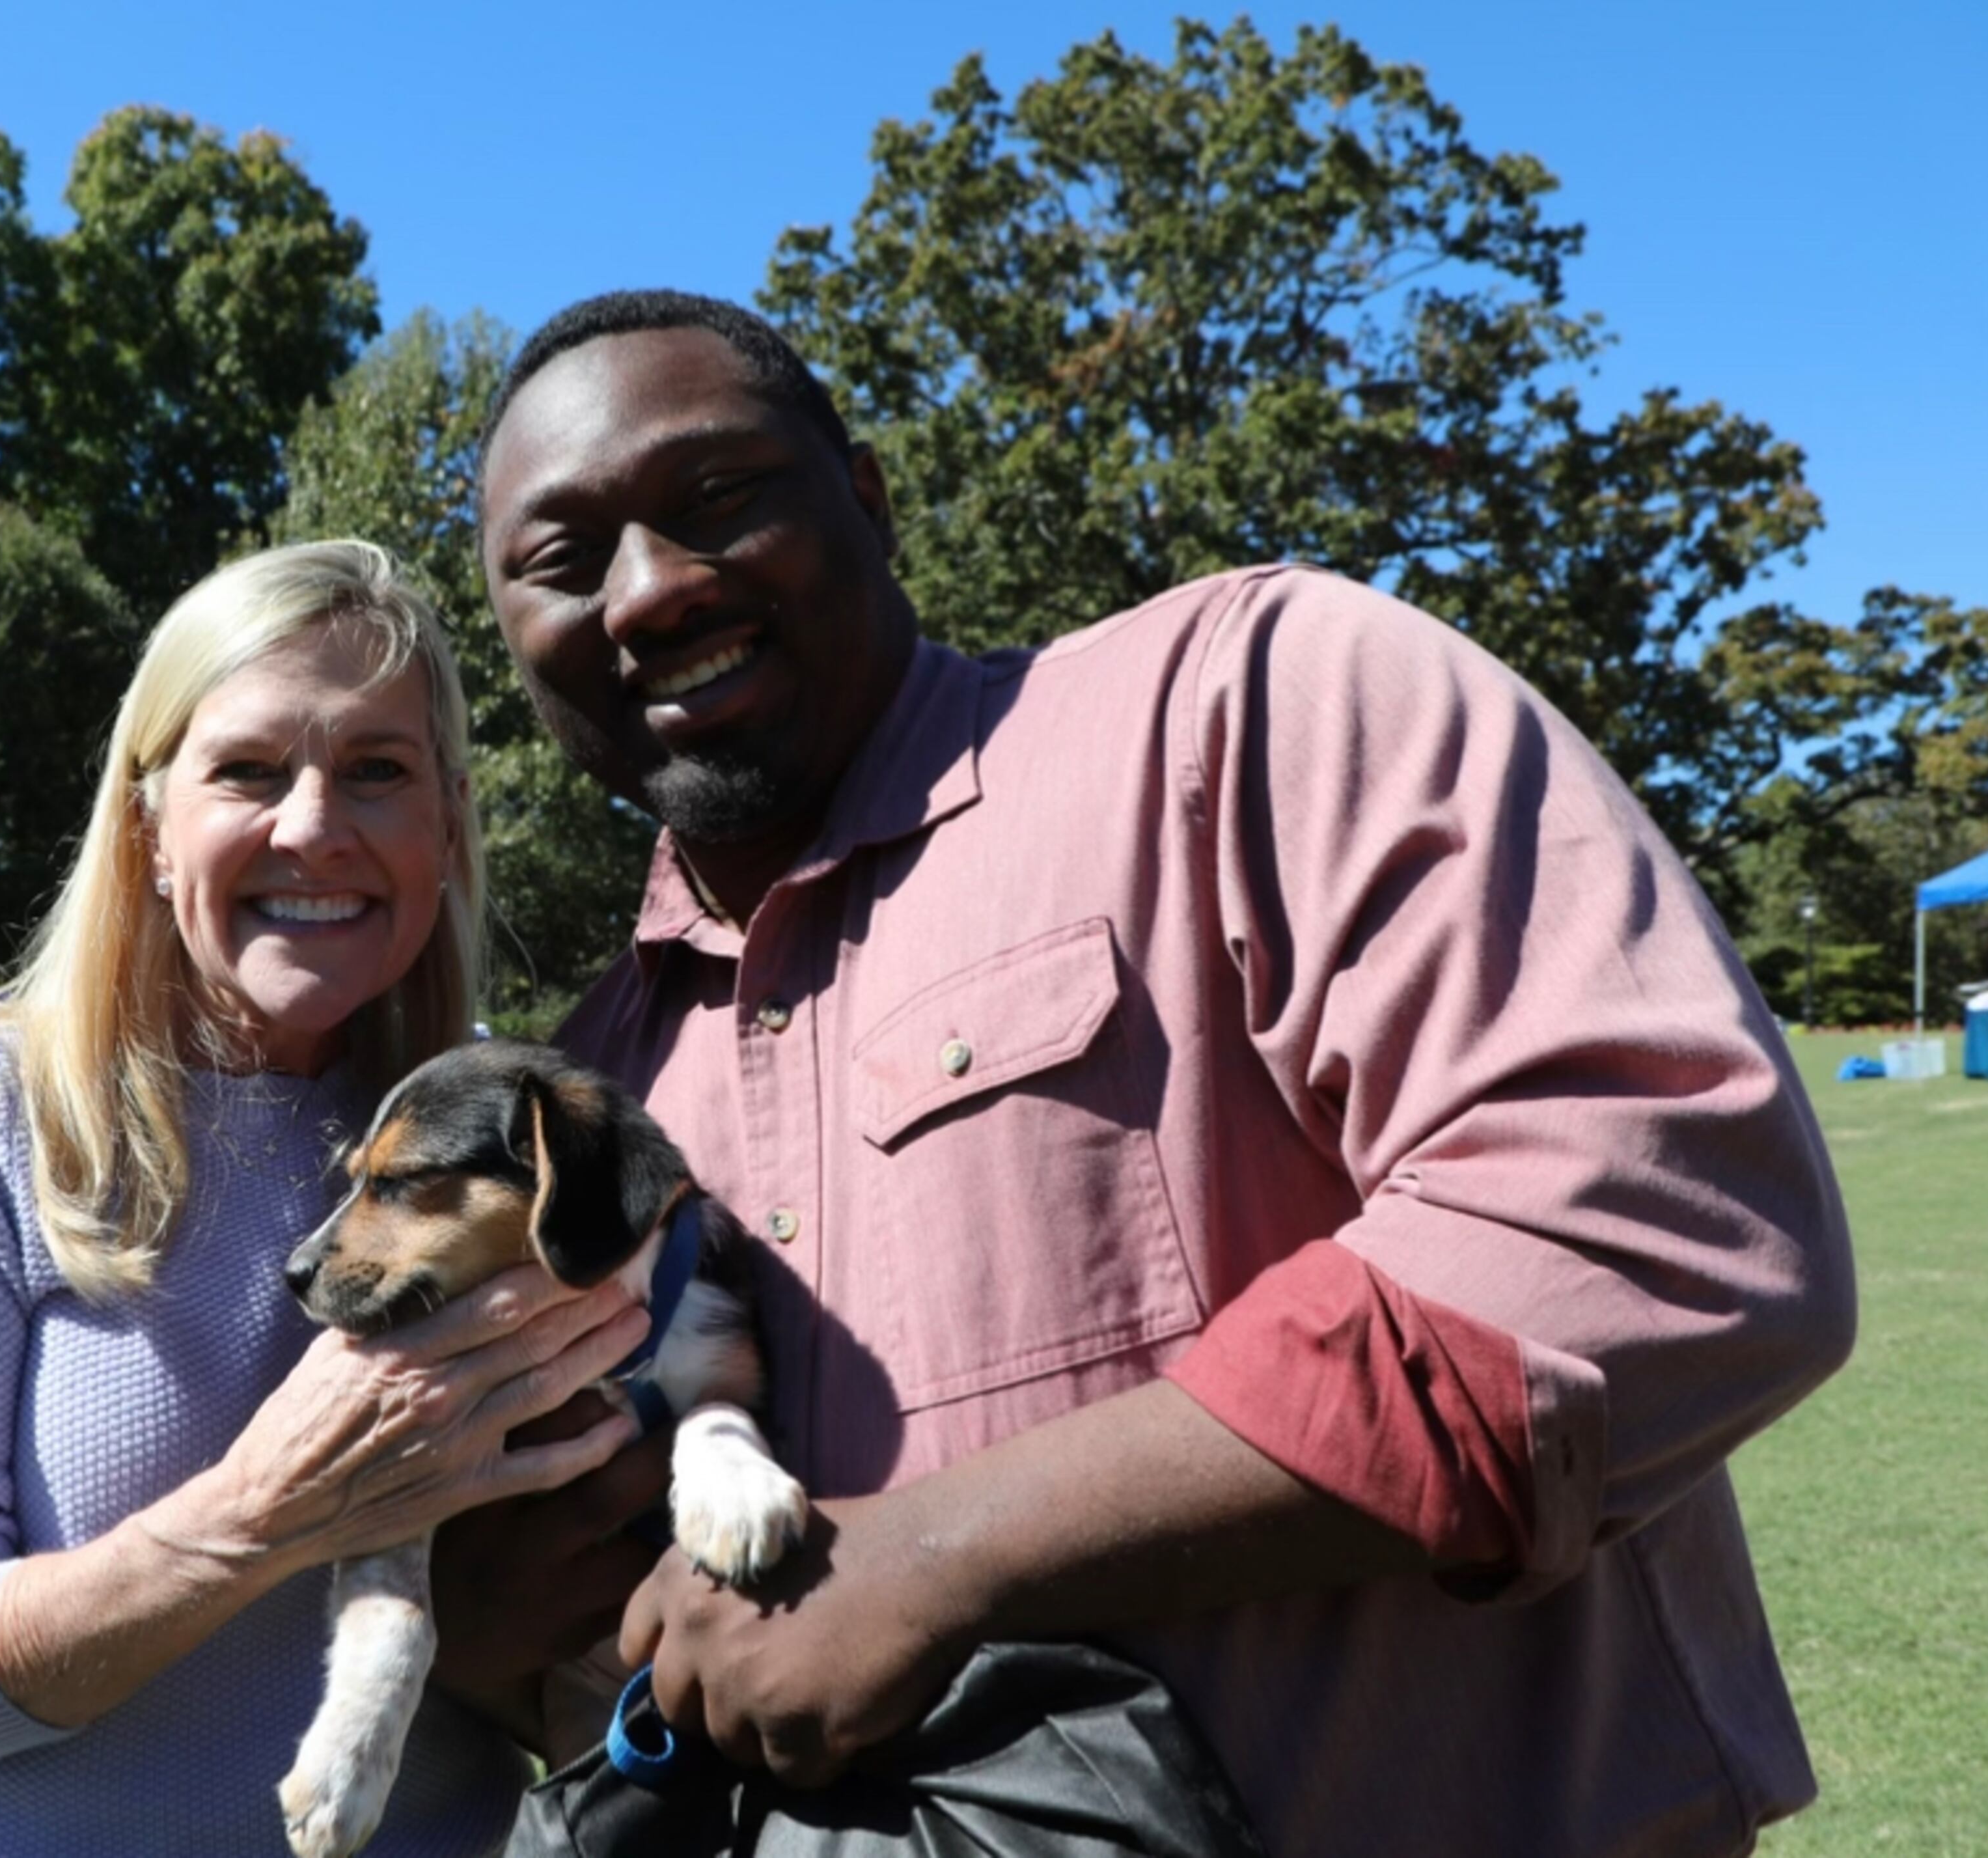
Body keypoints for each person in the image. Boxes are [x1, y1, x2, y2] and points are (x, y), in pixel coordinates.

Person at [473, 291, 1858, 1858]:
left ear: (863, 495)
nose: (651, 590)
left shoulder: (1248, 700)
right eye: (564, 559)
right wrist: (502, 1632)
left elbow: (1661, 1211)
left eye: (717, 498)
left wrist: (941, 1552)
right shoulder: (582, 1100)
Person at [0, 540, 667, 1858]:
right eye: (249, 769)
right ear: (147, 822)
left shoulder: (514, 1149)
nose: (314, 826)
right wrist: (260, 1512)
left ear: (448, 819)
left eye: (378, 769)